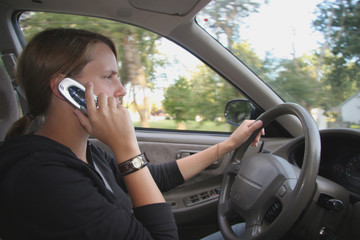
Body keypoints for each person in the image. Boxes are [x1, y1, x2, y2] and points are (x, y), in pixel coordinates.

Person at [0, 28, 264, 240]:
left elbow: (153, 178)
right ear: (67, 88)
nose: (121, 90)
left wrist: (227, 145)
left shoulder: (86, 152)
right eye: (108, 76)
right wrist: (126, 147)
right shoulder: (41, 177)